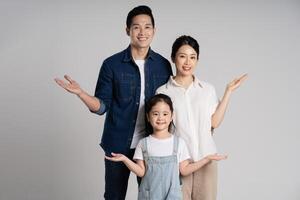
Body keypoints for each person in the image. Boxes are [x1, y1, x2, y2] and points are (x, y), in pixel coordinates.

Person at [54, 5, 172, 200]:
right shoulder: (112, 64)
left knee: (154, 196)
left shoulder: (163, 65)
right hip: (117, 143)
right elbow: (101, 107)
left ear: (154, 30)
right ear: (127, 30)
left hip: (153, 144)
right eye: (136, 27)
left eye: (147, 27)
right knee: (114, 196)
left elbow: (170, 105)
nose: (142, 32)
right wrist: (81, 93)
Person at [156, 35, 247, 200]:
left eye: (193, 57)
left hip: (207, 160)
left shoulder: (207, 89)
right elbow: (161, 130)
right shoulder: (163, 92)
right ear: (173, 58)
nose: (187, 62)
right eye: (182, 56)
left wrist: (228, 92)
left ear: (197, 60)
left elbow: (214, 123)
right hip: (178, 163)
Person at [105, 94, 227, 200]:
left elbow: (184, 170)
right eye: (155, 114)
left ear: (171, 116)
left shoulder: (179, 143)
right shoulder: (143, 143)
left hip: (172, 196)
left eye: (165, 114)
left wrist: (206, 159)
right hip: (149, 196)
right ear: (148, 117)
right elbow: (141, 172)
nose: (160, 118)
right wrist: (125, 159)